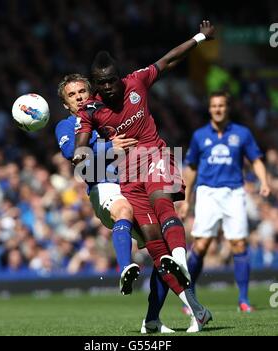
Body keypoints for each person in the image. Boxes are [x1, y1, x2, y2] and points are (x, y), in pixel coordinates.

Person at [73, 21, 215, 332]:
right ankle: (189, 307)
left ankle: (179, 260)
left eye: (111, 81)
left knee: (162, 201)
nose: (108, 87)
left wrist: (200, 37)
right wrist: (104, 148)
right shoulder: (90, 112)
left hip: (156, 155)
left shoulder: (136, 81)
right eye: (102, 83)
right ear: (95, 84)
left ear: (118, 77)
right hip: (127, 175)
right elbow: (80, 155)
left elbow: (169, 58)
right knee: (152, 239)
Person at [55, 74, 174, 333]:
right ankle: (124, 267)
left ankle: (152, 319)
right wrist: (110, 147)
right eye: (72, 95)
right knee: (123, 209)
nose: (79, 97)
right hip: (103, 187)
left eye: (82, 91)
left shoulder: (107, 115)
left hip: (131, 186)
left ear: (91, 92)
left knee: (162, 253)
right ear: (66, 104)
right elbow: (72, 154)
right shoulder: (67, 126)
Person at [181, 91, 270, 312]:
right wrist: (186, 199)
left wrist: (264, 181)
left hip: (234, 192)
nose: (218, 109)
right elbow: (191, 168)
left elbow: (256, 160)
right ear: (209, 109)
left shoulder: (242, 134)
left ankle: (243, 300)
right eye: (214, 106)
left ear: (227, 108)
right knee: (201, 246)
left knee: (239, 244)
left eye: (221, 105)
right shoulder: (200, 136)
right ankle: (190, 297)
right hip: (207, 193)